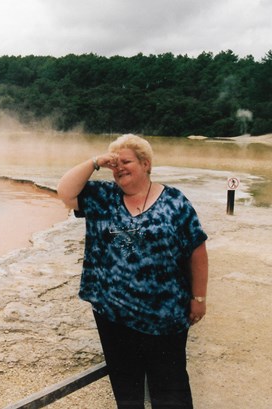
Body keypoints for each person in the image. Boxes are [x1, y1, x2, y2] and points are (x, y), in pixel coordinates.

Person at [57, 134, 208, 409]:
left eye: (125, 162)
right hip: (114, 315)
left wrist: (198, 298)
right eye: (114, 165)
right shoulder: (104, 197)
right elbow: (65, 192)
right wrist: (95, 161)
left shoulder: (175, 202)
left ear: (146, 164)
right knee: (127, 389)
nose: (119, 169)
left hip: (165, 317)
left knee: (171, 389)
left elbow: (197, 250)